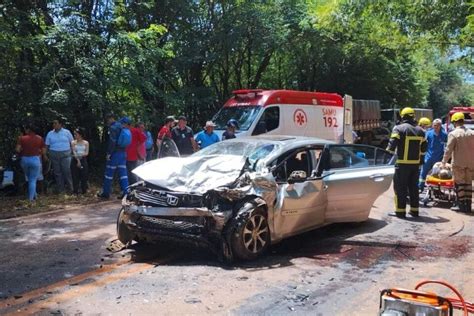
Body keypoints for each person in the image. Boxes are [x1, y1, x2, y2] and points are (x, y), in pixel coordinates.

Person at [386, 107, 427, 218]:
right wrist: (420, 162)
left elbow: (392, 144)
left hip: (402, 164)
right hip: (415, 165)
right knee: (413, 188)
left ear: (403, 116)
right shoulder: (421, 131)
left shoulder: (398, 128)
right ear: (413, 116)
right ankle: (414, 211)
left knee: (400, 188)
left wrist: (387, 153)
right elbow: (424, 149)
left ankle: (400, 211)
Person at [441, 112, 474, 212]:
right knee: (468, 184)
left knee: (460, 184)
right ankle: (468, 205)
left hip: (458, 164)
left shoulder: (453, 134)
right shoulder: (472, 133)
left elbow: (448, 150)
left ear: (455, 122)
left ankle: (461, 205)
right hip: (471, 163)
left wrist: (443, 162)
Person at [97, 114, 129, 199]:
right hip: (123, 153)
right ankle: (126, 193)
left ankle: (106, 192)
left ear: (111, 118)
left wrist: (109, 154)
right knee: (123, 174)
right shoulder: (122, 126)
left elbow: (112, 142)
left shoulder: (113, 128)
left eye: (107, 120)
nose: (107, 122)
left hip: (115, 154)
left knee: (109, 174)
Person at [15, 124, 46, 201]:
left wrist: (22, 149)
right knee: (32, 179)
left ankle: (34, 196)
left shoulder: (22, 138)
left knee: (29, 178)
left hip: (24, 160)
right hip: (35, 159)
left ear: (28, 130)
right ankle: (31, 199)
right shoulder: (39, 138)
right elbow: (44, 151)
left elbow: (17, 150)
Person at [45, 118, 74, 193]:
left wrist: (72, 151)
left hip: (66, 154)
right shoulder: (50, 133)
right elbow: (47, 145)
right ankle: (61, 190)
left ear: (60, 124)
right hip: (54, 154)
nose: (54, 125)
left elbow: (72, 142)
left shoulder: (67, 132)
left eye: (56, 123)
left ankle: (71, 188)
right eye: (53, 123)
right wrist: (45, 154)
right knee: (57, 172)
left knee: (66, 171)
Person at [419, 119, 447, 191]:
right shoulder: (428, 133)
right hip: (428, 157)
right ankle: (420, 187)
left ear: (440, 126)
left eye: (438, 125)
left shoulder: (444, 135)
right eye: (434, 125)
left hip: (438, 159)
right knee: (423, 173)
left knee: (437, 174)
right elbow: (422, 144)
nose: (436, 127)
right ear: (432, 125)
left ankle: (437, 190)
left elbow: (448, 146)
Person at [124, 118, 146, 184]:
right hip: (133, 155)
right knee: (133, 171)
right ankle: (134, 186)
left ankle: (129, 186)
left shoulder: (124, 130)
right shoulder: (136, 130)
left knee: (127, 172)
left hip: (125, 154)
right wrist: (138, 144)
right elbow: (144, 138)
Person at [71, 127, 89, 194]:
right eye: (74, 134)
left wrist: (80, 156)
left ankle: (84, 190)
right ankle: (75, 191)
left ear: (80, 134)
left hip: (83, 159)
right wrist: (78, 160)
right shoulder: (73, 142)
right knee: (75, 175)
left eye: (76, 134)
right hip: (75, 159)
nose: (75, 135)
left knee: (84, 175)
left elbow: (86, 152)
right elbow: (74, 151)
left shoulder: (86, 143)